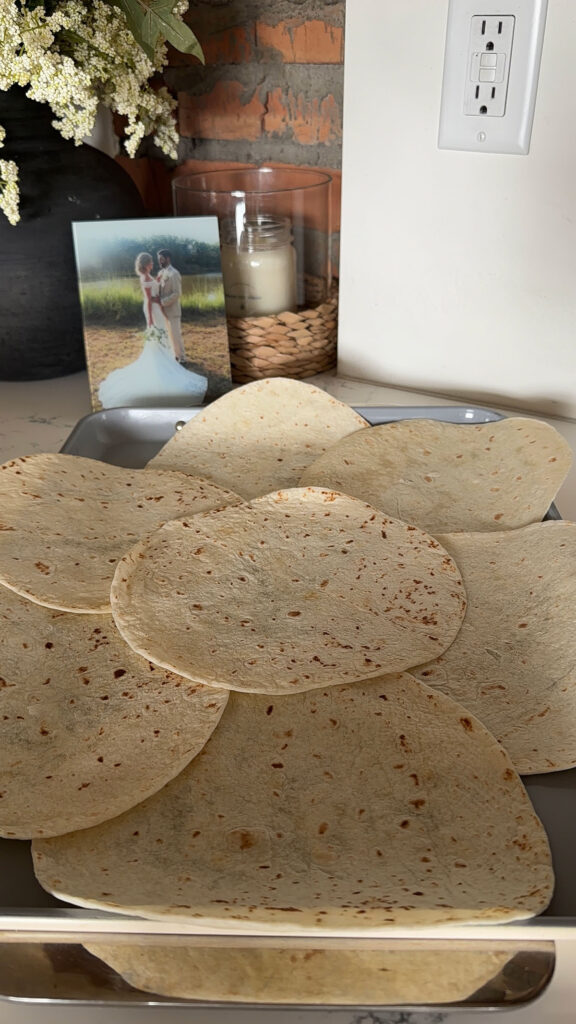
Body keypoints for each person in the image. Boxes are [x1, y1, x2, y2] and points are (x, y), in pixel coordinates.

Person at [97, 252, 208, 409]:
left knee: (163, 333)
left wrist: (157, 285)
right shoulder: (146, 278)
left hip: (157, 308)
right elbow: (149, 300)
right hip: (153, 309)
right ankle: (162, 359)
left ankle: (168, 356)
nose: (153, 264)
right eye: (151, 262)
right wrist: (149, 319)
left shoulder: (150, 276)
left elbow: (157, 291)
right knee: (159, 332)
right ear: (145, 264)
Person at [156, 249, 186, 363]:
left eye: (161, 259)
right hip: (163, 311)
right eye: (158, 259)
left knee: (175, 335)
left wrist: (162, 302)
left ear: (168, 258)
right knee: (168, 335)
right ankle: (175, 355)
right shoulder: (161, 273)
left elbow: (177, 293)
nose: (159, 261)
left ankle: (182, 358)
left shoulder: (174, 273)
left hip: (173, 310)